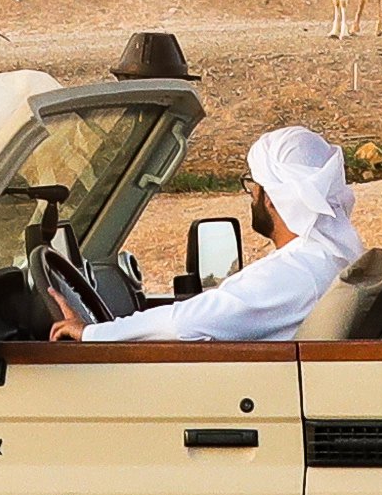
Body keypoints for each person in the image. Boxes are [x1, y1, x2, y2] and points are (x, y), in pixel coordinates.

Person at [79, 124, 367, 345]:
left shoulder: (299, 270)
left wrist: (91, 334)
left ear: (270, 198)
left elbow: (186, 324)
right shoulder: (328, 259)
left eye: (252, 187)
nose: (251, 196)